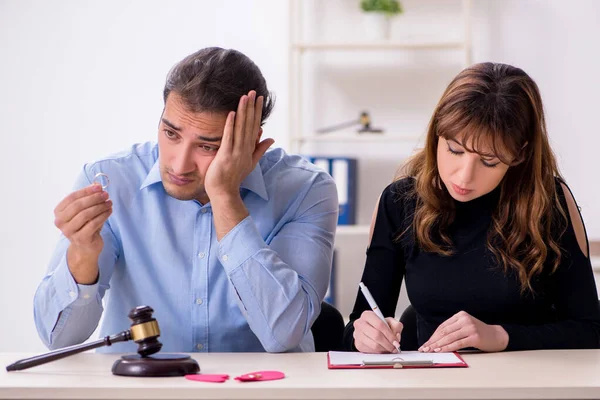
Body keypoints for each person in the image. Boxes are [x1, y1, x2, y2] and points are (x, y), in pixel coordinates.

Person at [34, 47, 338, 353]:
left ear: (250, 140)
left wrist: (224, 196)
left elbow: (283, 334)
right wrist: (83, 256)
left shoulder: (306, 190)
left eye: (207, 147)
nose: (179, 165)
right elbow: (57, 338)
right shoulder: (110, 181)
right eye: (171, 133)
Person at [344, 62, 600, 353]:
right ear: (436, 133)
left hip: (531, 381)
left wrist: (501, 337)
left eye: (489, 161)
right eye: (454, 150)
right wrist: (364, 334)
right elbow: (354, 330)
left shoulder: (549, 201)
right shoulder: (399, 202)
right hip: (436, 384)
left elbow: (590, 330)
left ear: (519, 154)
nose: (464, 176)